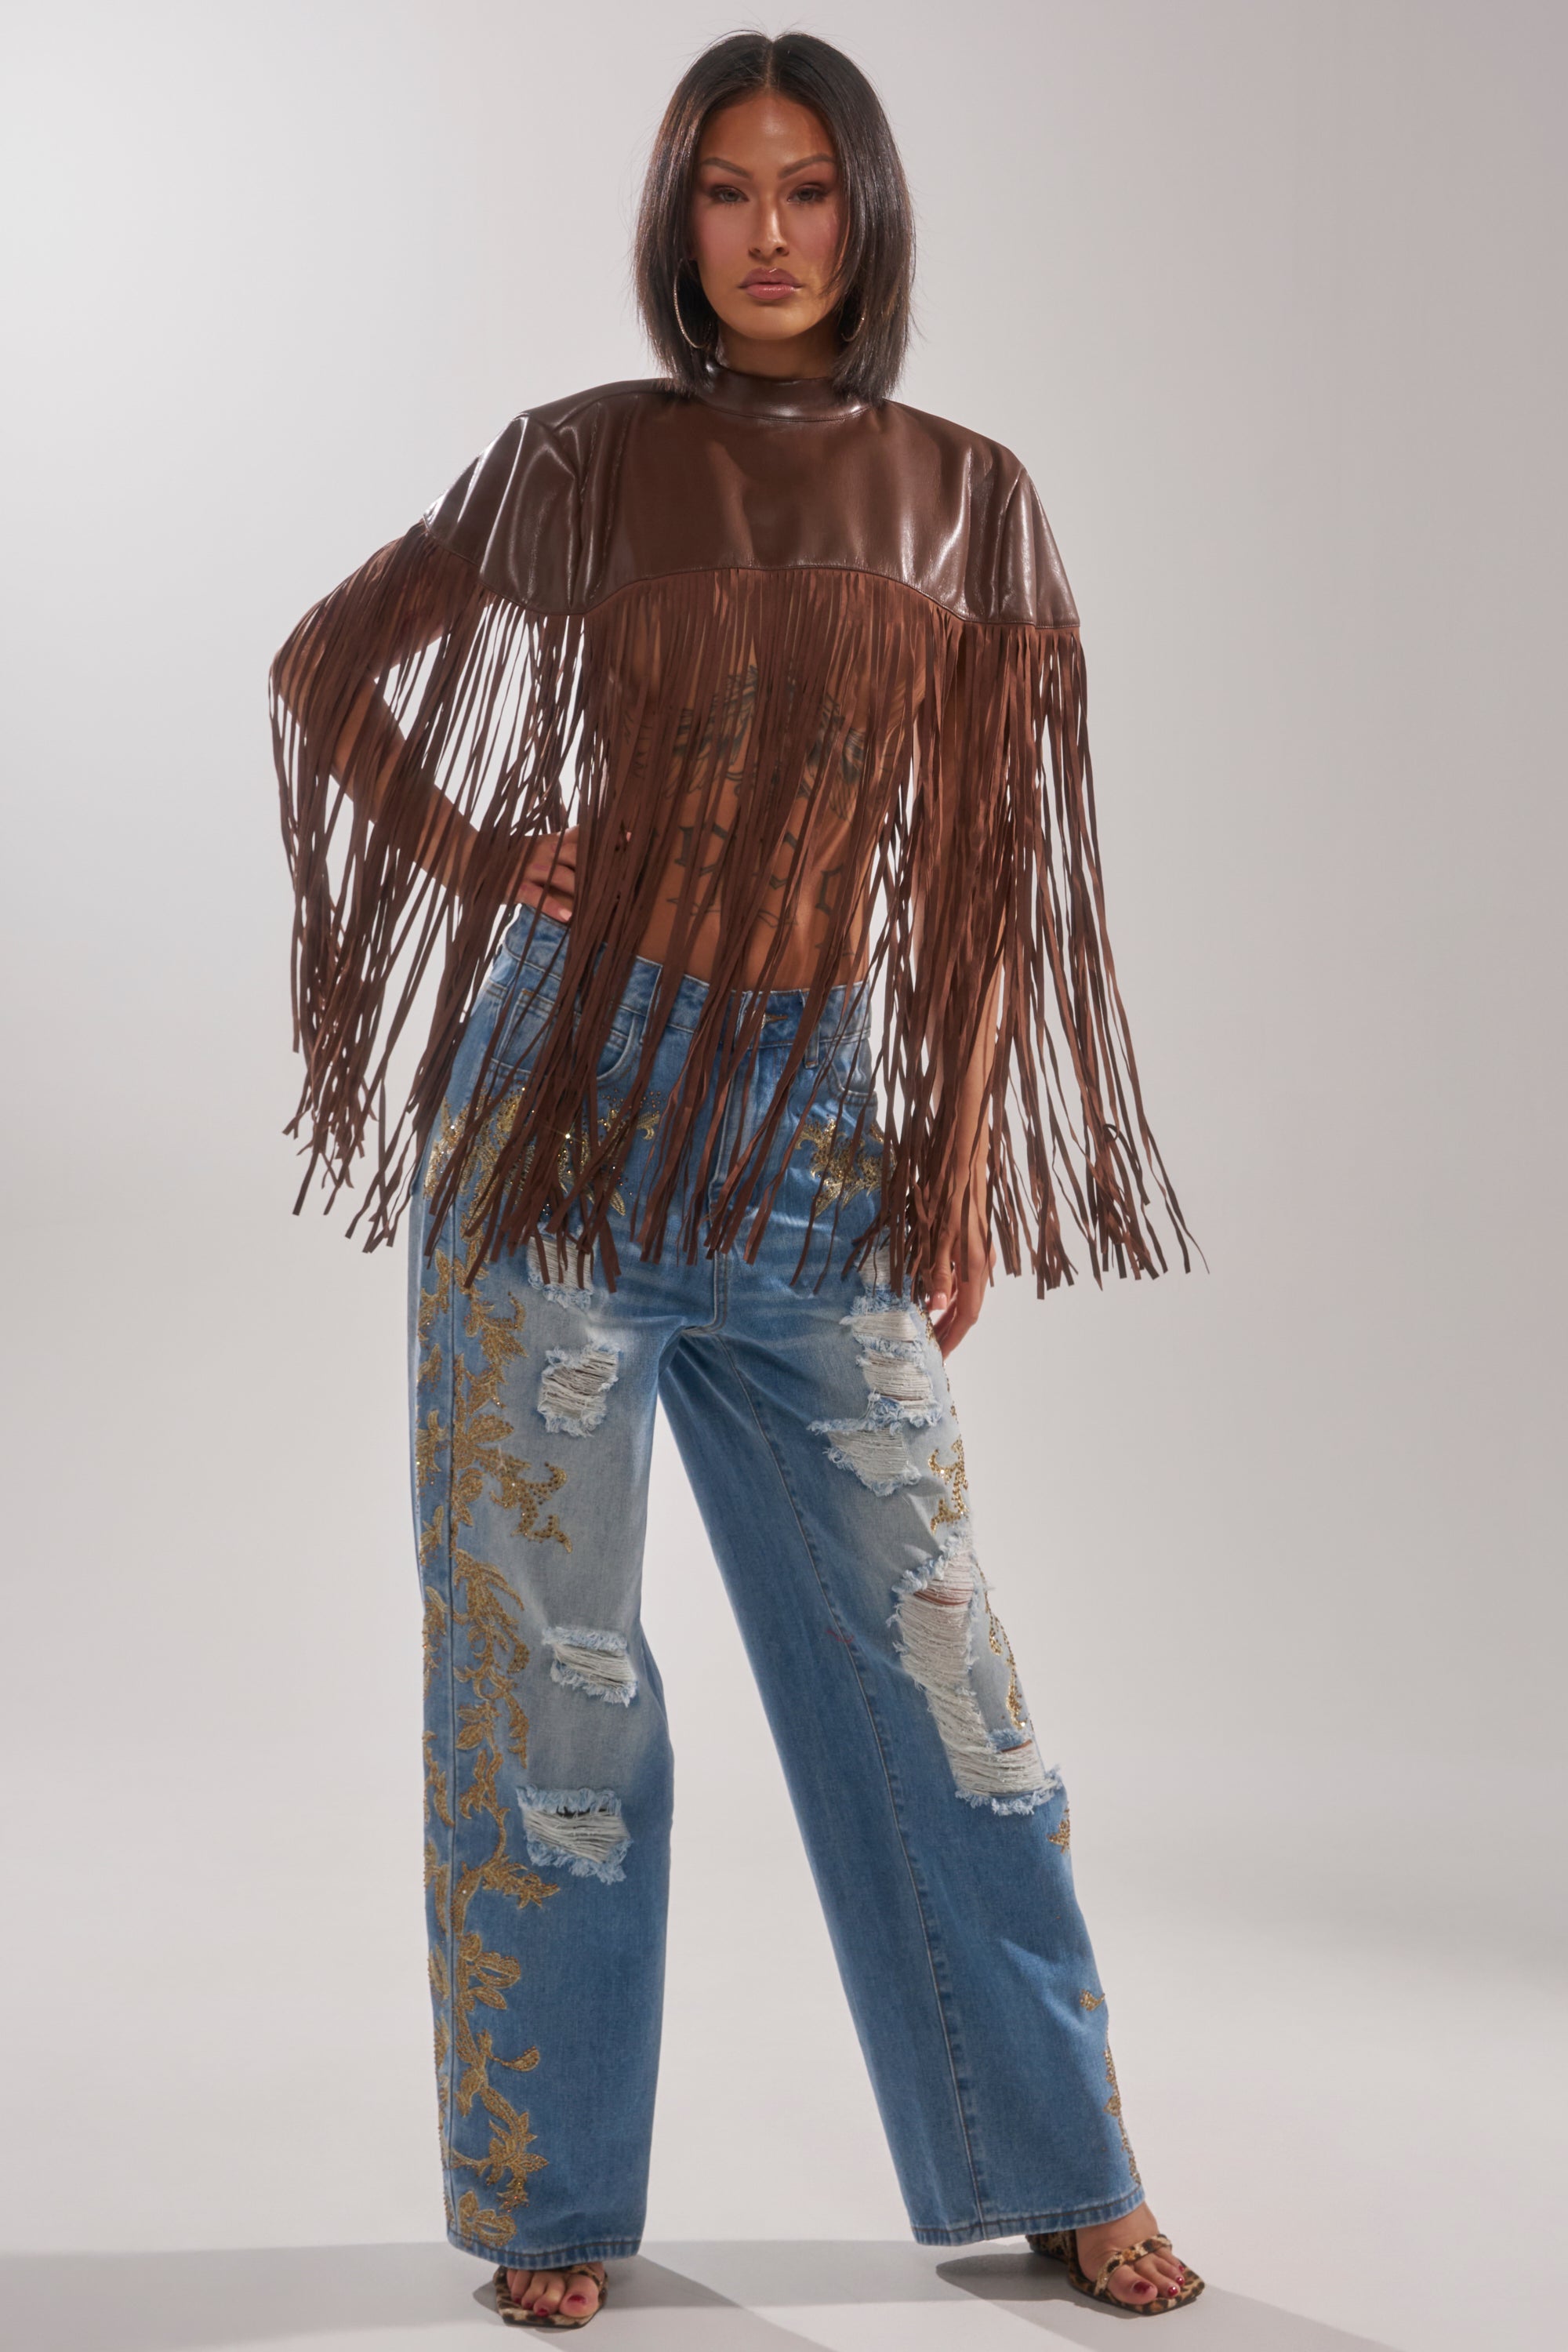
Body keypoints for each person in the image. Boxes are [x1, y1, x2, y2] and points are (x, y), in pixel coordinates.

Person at [269, 27, 1201, 2332]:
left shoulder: (970, 497)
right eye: (725, 192)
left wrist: (962, 1153)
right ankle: (555, 2209)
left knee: (945, 1686)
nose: (770, 233)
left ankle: (1060, 2165)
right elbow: (327, 664)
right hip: (559, 1124)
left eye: (809, 191)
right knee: (552, 1688)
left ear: (868, 216)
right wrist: (493, 852)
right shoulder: (589, 459)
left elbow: (984, 876)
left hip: (816, 1146)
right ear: (677, 222)